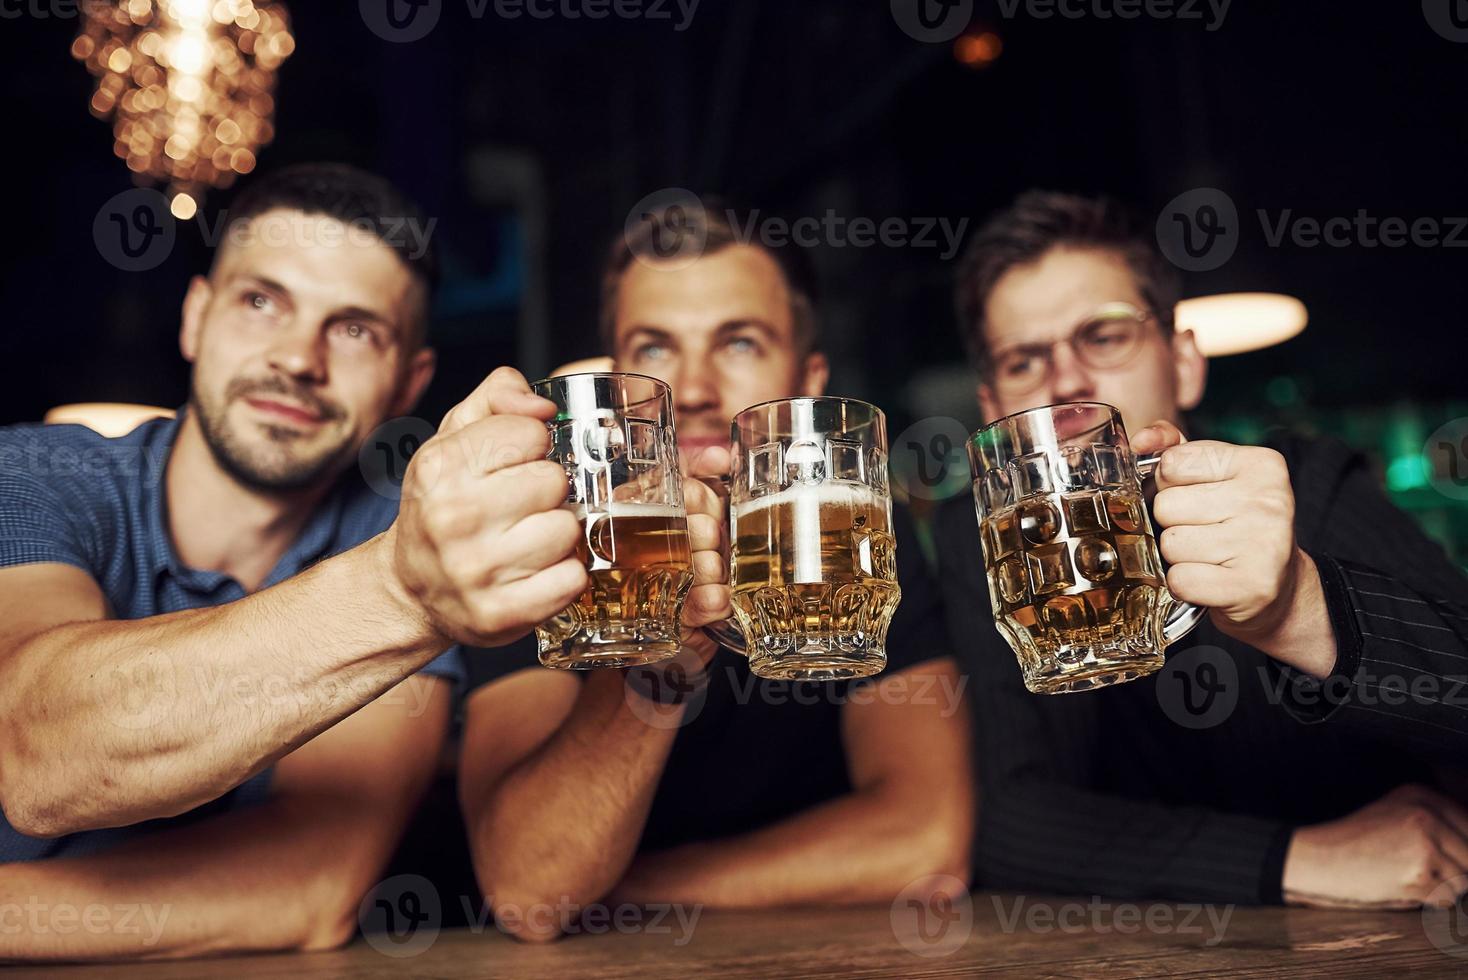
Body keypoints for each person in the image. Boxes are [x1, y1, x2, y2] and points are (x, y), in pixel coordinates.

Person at [0, 164, 728, 960]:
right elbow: (37, 752)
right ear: (195, 317)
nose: (298, 358)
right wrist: (403, 590)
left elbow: (307, 887)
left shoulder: (408, 526)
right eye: (260, 301)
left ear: (408, 381)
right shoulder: (40, 473)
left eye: (354, 329)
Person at [458, 201, 973, 941]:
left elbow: (927, 842)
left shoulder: (857, 543)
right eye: (656, 349)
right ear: (614, 380)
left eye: (739, 342)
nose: (694, 387)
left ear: (809, 380)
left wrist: (621, 888)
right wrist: (661, 664)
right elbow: (531, 884)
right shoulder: (539, 544)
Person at [939, 190, 1468, 910]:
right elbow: (1007, 824)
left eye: (1105, 336)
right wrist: (1300, 860)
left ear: (1184, 363)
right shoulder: (983, 547)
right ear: (993, 411)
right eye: (1024, 361)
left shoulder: (1302, 481)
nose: (1066, 380)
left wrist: (1300, 605)